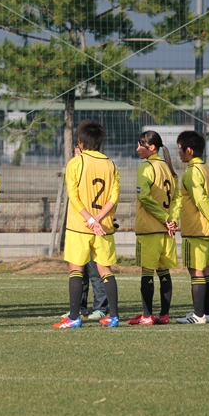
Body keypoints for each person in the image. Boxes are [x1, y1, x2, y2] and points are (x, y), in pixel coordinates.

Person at [54, 120, 120, 329]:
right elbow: (114, 197)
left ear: (80, 141)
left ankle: (74, 317)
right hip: (104, 227)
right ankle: (114, 317)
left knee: (76, 269)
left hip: (79, 226)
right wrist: (99, 218)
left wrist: (90, 219)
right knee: (105, 270)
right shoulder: (111, 164)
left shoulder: (76, 162)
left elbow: (72, 195)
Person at [175, 130, 209, 324]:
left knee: (195, 270)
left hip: (195, 229)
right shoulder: (207, 169)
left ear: (189, 150)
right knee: (206, 270)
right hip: (208, 230)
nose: (178, 153)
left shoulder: (191, 172)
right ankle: (208, 313)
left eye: (180, 149)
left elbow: (200, 199)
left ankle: (199, 315)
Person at [128, 130, 182, 326]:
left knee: (147, 272)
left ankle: (147, 316)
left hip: (150, 230)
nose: (137, 149)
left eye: (140, 145)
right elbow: (177, 199)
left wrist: (165, 218)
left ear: (151, 147)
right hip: (166, 232)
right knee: (164, 271)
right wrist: (172, 220)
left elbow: (144, 197)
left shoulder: (146, 167)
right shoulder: (169, 169)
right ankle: (164, 315)